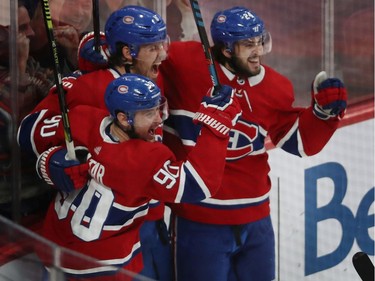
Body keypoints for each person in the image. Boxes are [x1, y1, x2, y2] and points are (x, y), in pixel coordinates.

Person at [158, 6, 348, 281]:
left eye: (260, 41)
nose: (258, 50)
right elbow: (139, 62)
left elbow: (300, 142)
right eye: (248, 44)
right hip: (199, 220)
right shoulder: (184, 63)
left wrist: (323, 115)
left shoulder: (274, 86)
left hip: (256, 220)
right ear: (225, 49)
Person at [34, 73, 242, 280]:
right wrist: (216, 125)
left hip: (54, 252)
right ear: (124, 118)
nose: (159, 120)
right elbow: (199, 183)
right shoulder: (146, 159)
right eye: (150, 113)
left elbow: (29, 133)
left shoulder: (83, 118)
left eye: (158, 109)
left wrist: (48, 159)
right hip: (104, 269)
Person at [17, 5, 172, 281]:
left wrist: (92, 42)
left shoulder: (151, 76)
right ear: (128, 52)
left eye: (163, 44)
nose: (163, 55)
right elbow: (29, 129)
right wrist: (51, 161)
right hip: (93, 235)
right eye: (153, 47)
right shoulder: (88, 88)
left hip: (143, 220)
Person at [0, 0, 54, 218]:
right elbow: (12, 120)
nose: (30, 33)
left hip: (39, 185)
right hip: (10, 197)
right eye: (22, 28)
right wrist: (19, 65)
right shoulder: (19, 64)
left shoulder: (29, 63)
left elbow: (56, 93)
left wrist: (71, 56)